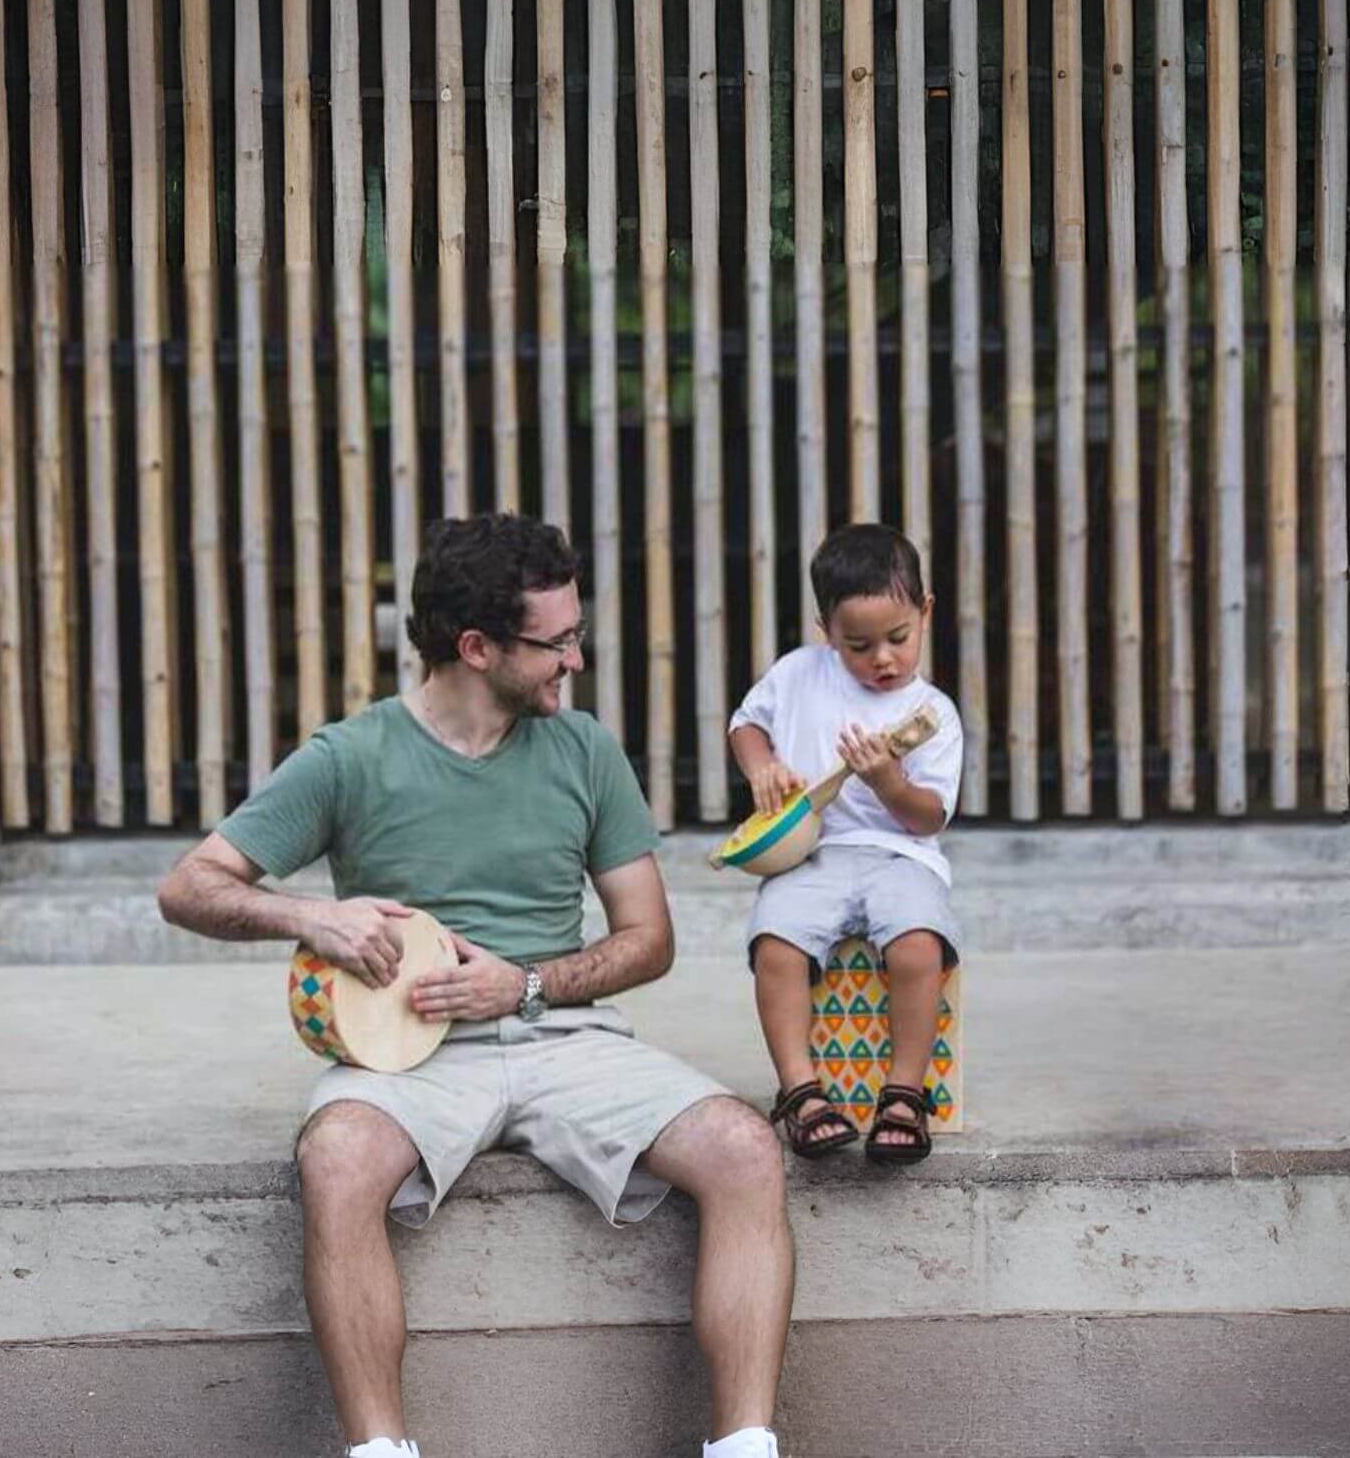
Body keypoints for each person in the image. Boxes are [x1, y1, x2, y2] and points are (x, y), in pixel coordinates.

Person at [158, 513, 791, 1458]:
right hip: (403, 1053)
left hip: (562, 1035)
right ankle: (380, 1454)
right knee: (335, 1160)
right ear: (476, 646)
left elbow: (648, 939)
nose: (575, 660)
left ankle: (744, 1449)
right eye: (557, 641)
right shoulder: (350, 756)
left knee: (745, 1147)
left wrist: (525, 985)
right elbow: (188, 888)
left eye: (578, 634)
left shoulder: (584, 751)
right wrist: (312, 916)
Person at [728, 523, 963, 1165]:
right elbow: (747, 726)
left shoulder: (932, 714)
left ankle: (904, 1095)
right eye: (858, 645)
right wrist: (761, 769)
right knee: (775, 944)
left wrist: (889, 781)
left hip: (899, 854)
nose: (883, 659)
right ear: (825, 630)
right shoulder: (800, 675)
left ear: (925, 611)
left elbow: (928, 818)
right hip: (813, 851)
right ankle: (801, 1093)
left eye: (899, 638)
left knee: (917, 946)